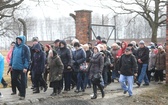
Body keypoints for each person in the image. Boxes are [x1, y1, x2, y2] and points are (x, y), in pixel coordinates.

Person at [9, 35, 31, 100]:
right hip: (15, 67)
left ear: (22, 41)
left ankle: (22, 95)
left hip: (22, 68)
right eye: (17, 40)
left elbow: (27, 58)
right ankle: (20, 90)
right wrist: (11, 64)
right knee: (14, 79)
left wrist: (25, 67)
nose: (18, 41)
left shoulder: (25, 48)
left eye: (20, 40)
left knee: (23, 81)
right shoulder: (15, 47)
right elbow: (12, 57)